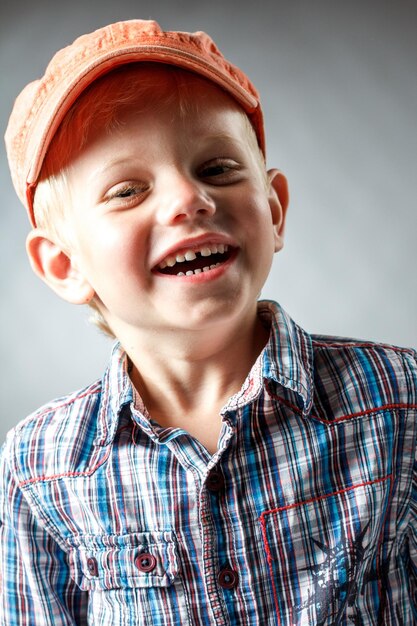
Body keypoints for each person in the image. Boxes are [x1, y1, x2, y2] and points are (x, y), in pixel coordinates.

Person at [0, 18, 416, 626]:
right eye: (126, 191)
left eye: (217, 168)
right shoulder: (40, 467)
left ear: (273, 211)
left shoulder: (400, 401)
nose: (189, 200)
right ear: (64, 264)